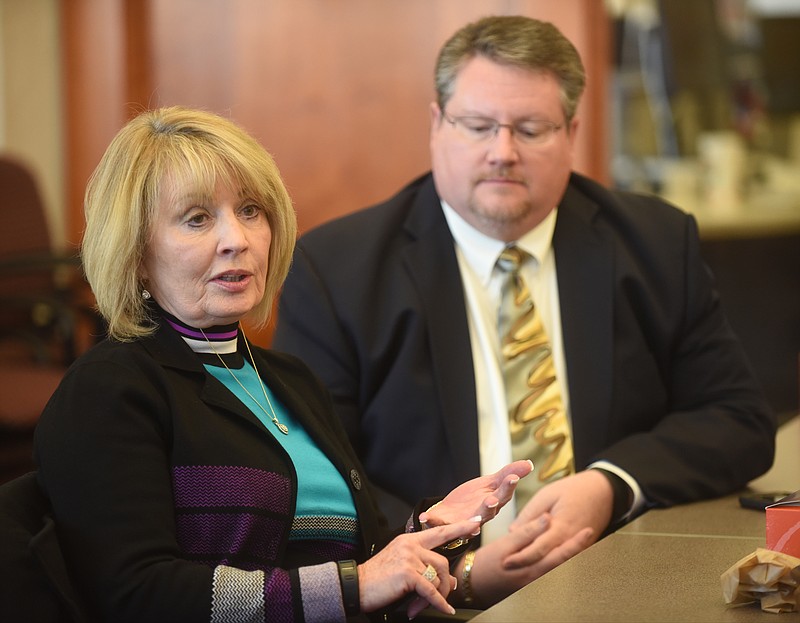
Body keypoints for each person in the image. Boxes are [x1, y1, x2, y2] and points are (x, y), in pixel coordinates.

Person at [272, 14, 776, 607]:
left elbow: (737, 419)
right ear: (437, 126)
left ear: (572, 131)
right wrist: (455, 566)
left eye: (532, 128)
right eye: (478, 125)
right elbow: (310, 480)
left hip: (625, 582)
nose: (502, 152)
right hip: (434, 603)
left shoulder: (654, 244)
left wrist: (611, 485)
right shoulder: (337, 270)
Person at [31, 106, 536, 622]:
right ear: (135, 252)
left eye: (251, 210)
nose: (238, 240)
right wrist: (355, 586)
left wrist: (429, 531)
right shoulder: (108, 390)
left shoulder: (291, 380)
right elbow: (138, 595)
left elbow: (358, 568)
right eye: (197, 218)